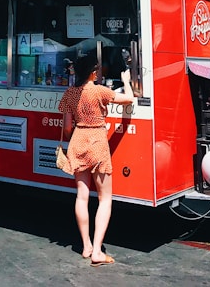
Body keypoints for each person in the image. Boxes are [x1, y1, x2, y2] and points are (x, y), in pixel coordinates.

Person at [58, 54, 134, 267]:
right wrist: (126, 82)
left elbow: (66, 128)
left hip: (78, 141)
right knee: (104, 198)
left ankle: (86, 246)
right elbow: (128, 99)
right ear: (93, 72)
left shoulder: (70, 94)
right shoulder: (100, 91)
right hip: (98, 142)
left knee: (82, 196)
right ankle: (98, 251)